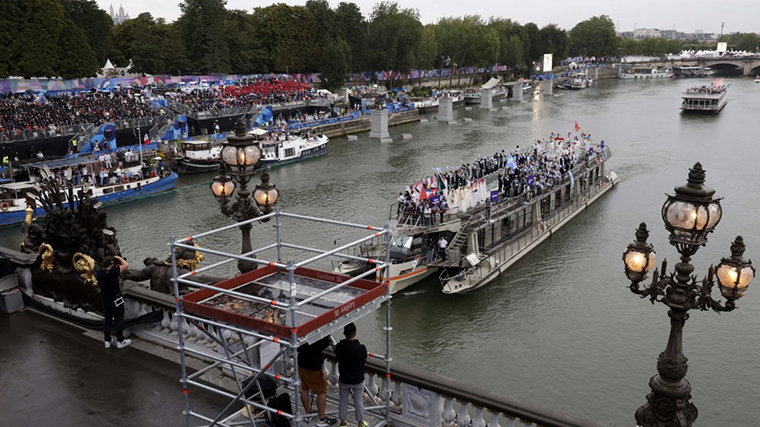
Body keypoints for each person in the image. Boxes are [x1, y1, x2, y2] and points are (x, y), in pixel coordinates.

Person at [298, 337, 338, 426]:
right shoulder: (316, 336)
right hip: (313, 366)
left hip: (301, 362)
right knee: (321, 391)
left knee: (304, 388)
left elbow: (298, 347)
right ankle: (322, 419)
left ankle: (308, 414)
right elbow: (324, 343)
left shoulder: (304, 332)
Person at [336, 323, 368, 427]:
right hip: (357, 379)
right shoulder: (361, 348)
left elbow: (337, 355)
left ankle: (343, 422)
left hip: (344, 379)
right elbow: (365, 359)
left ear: (344, 333)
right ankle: (360, 423)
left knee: (343, 401)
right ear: (355, 333)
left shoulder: (339, 347)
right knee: (358, 402)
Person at [96, 255, 131, 349]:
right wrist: (118, 258)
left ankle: (107, 341)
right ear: (111, 265)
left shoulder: (99, 273)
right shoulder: (113, 272)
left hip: (106, 300)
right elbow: (126, 265)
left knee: (107, 321)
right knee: (118, 321)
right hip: (116, 300)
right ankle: (120, 341)